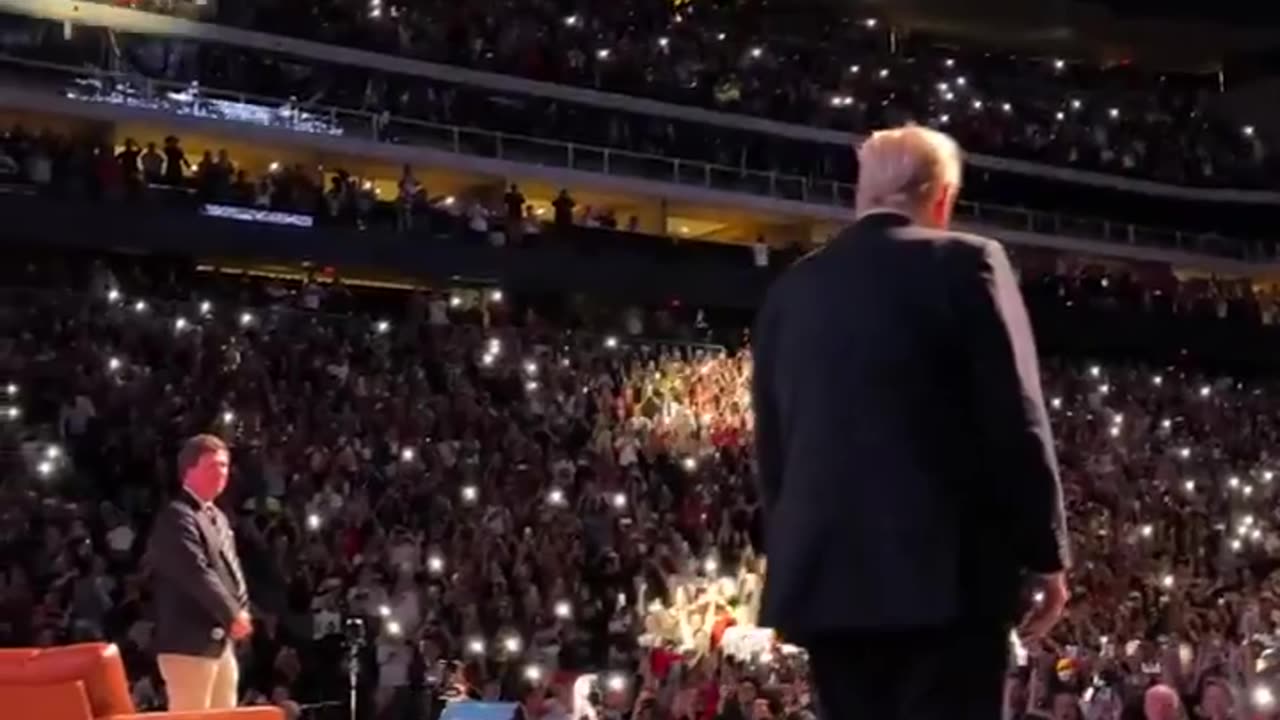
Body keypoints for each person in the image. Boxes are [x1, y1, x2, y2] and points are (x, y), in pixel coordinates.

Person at [750, 124, 1070, 719]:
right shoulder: (968, 261)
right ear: (943, 198)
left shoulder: (792, 290)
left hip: (828, 584)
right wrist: (1045, 554)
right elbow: (1015, 419)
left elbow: (773, 450)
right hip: (947, 583)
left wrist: (793, 553)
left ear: (861, 195)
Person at [148, 434, 252, 710]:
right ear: (188, 471)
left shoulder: (217, 517)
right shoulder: (178, 516)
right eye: (212, 466)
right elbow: (196, 572)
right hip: (188, 643)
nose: (221, 472)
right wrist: (232, 612)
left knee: (225, 713)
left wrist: (240, 608)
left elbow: (231, 569)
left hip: (220, 643)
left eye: (225, 466)